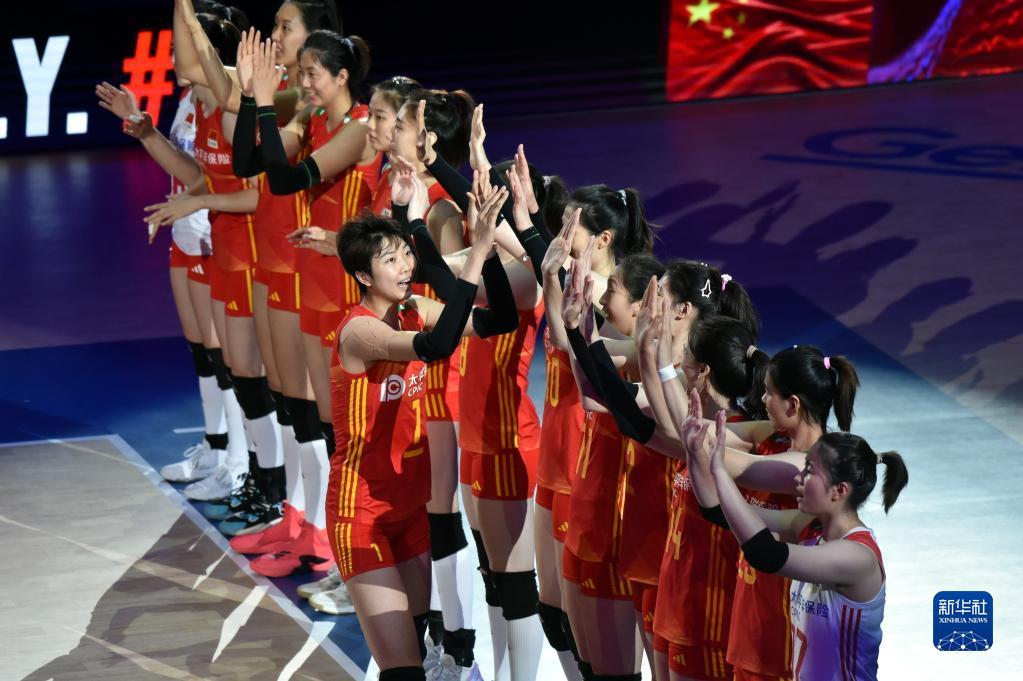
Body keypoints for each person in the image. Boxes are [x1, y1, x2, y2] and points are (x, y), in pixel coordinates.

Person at [327, 179, 515, 681]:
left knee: (415, 648)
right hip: (362, 515)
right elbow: (436, 347)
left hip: (411, 510)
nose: (406, 266)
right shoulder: (360, 331)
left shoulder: (413, 310)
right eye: (390, 260)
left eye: (406, 254)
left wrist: (487, 253)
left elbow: (500, 320)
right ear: (362, 276)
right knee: (404, 669)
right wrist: (472, 260)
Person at [680, 390, 907, 681]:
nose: (798, 478)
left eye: (810, 471)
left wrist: (721, 471)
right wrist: (695, 454)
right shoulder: (804, 526)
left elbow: (765, 554)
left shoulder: (857, 557)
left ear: (839, 490)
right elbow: (718, 512)